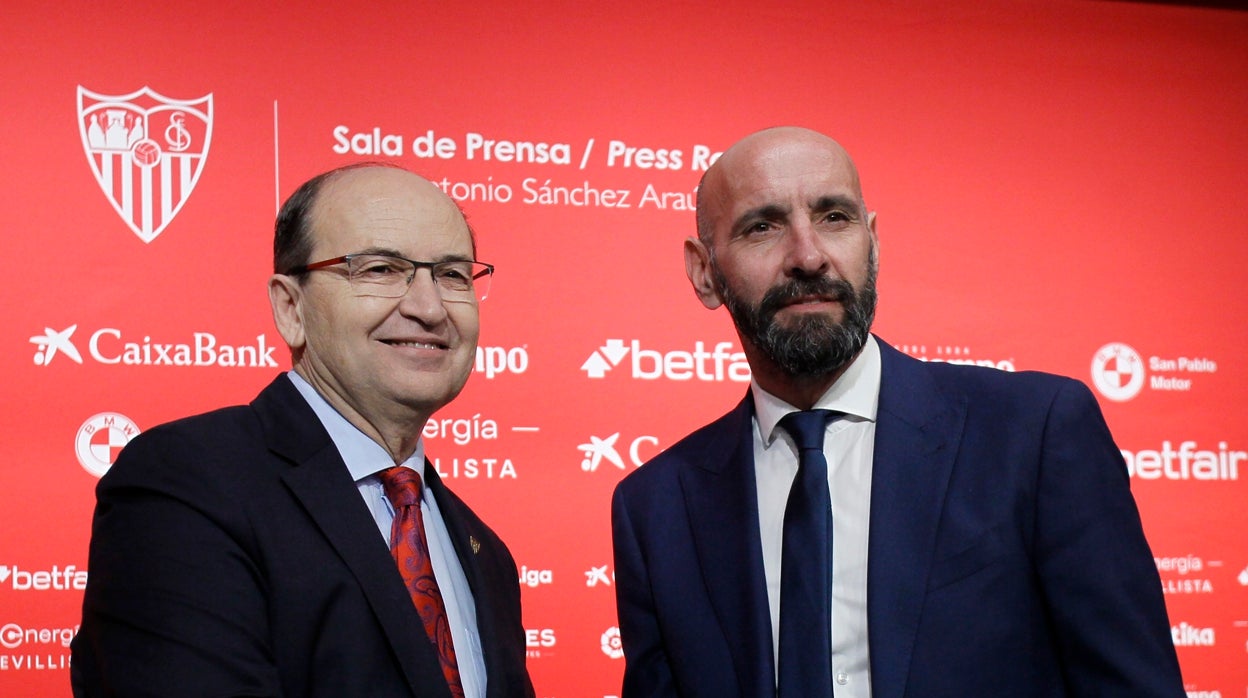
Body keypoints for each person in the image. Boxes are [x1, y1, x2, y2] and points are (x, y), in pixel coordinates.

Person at [610, 127, 1184, 697]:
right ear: (703, 271)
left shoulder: (1032, 434)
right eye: (762, 227)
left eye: (835, 217)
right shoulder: (656, 509)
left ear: (874, 241)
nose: (809, 257)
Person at [72, 163, 535, 698]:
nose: (429, 307)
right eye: (381, 269)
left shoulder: (487, 554)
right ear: (290, 307)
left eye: (452, 274)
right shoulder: (190, 485)